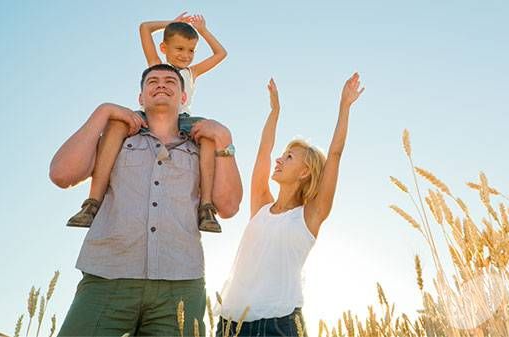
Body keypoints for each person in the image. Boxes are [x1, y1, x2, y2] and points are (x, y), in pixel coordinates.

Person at [50, 64, 242, 336]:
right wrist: (103, 112)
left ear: (184, 98)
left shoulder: (202, 147)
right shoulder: (115, 139)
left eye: (170, 81)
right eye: (152, 81)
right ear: (140, 97)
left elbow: (230, 207)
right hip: (107, 277)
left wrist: (225, 139)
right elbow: (61, 175)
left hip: (181, 285)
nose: (161, 84)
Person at [216, 73, 364, 337]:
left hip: (279, 326)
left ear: (305, 172)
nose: (279, 160)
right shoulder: (261, 205)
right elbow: (263, 151)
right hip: (230, 325)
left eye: (289, 157)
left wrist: (344, 106)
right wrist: (275, 111)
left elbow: (335, 155)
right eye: (283, 155)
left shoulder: (311, 216)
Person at [67, 12, 229, 232]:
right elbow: (144, 28)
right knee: (116, 124)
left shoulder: (192, 72)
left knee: (208, 134)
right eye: (179, 49)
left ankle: (206, 208)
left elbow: (221, 53)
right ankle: (92, 202)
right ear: (164, 48)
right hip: (148, 116)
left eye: (191, 50)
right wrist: (172, 23)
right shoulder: (157, 65)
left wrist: (203, 31)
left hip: (181, 120)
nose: (186, 55)